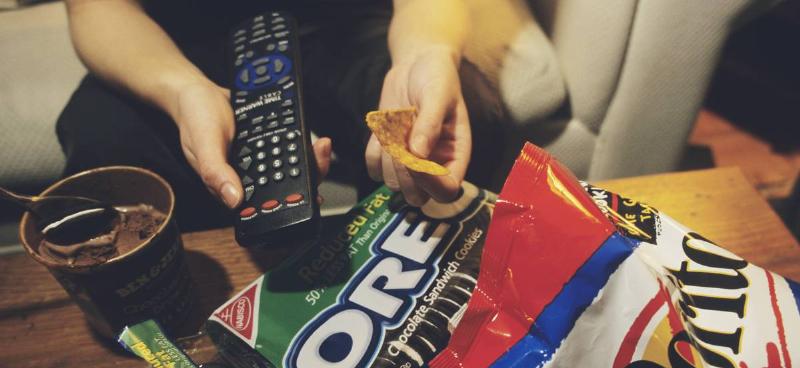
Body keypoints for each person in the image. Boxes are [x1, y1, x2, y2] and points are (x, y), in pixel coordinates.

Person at [56, 0, 519, 231]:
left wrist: (425, 49)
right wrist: (180, 91)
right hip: (173, 47)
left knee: (456, 120)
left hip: (347, 21)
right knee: (105, 158)